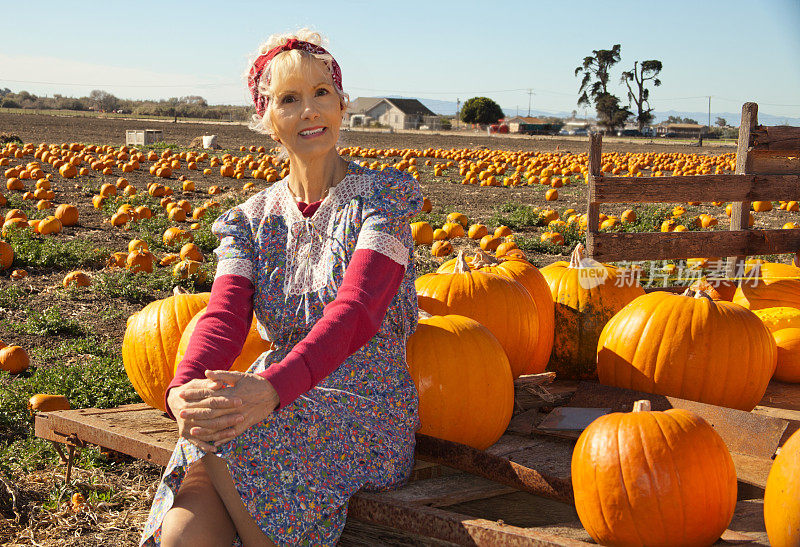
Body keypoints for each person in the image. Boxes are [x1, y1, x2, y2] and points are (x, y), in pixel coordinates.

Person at [140, 29, 422, 546]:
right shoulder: (247, 221)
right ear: (266, 119)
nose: (310, 110)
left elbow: (356, 310)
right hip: (271, 393)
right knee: (205, 456)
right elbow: (224, 316)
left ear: (341, 104)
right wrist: (183, 387)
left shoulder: (384, 201)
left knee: (229, 436)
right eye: (289, 100)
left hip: (364, 403)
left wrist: (271, 392)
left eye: (321, 93)